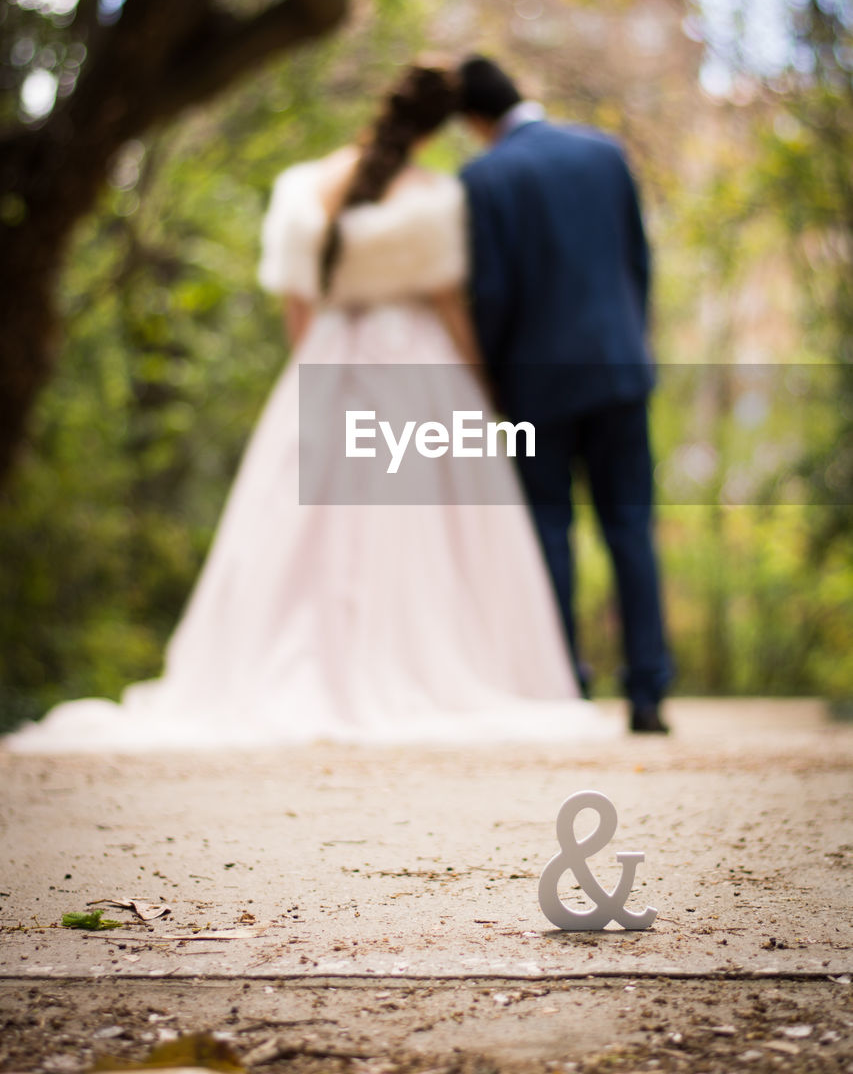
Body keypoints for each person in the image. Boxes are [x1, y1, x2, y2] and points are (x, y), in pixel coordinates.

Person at [5, 64, 613, 751]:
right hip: (417, 370)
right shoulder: (439, 197)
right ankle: (421, 663)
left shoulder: (302, 187)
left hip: (329, 356)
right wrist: (484, 390)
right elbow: (448, 306)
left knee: (305, 524)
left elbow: (296, 301)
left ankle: (290, 663)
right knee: (431, 528)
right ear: (437, 130)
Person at [457, 55, 674, 734]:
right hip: (618, 371)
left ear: (472, 120)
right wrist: (631, 344)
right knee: (629, 529)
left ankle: (565, 685)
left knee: (549, 529)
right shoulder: (603, 152)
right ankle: (646, 692)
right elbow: (637, 262)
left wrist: (488, 378)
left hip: (534, 382)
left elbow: (489, 294)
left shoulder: (483, 176)